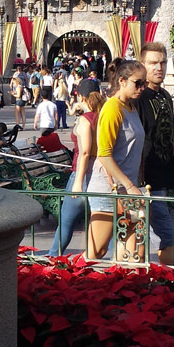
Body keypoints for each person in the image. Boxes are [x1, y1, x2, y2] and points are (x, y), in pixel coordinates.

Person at [85, 61, 146, 261]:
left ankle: (124, 287)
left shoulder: (131, 107)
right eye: (138, 83)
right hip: (109, 189)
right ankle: (63, 285)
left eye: (143, 83)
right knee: (96, 252)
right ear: (122, 81)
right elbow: (104, 153)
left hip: (129, 190)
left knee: (134, 252)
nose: (142, 88)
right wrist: (128, 185)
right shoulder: (113, 108)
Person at [139, 42, 174, 267]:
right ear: (142, 65)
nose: (159, 67)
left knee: (151, 235)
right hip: (145, 181)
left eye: (162, 62)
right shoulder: (138, 97)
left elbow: (172, 134)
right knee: (164, 235)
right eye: (152, 63)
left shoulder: (164, 96)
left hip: (164, 177)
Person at [47, 82, 102, 257]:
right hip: (101, 173)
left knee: (66, 221)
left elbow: (85, 151)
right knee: (101, 220)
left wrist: (78, 181)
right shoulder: (102, 116)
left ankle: (53, 256)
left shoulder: (86, 119)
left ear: (81, 97)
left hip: (82, 173)